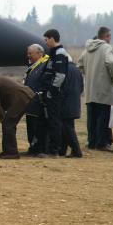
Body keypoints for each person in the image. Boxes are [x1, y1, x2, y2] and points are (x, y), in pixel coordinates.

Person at [78, 27, 113, 152]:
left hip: (90, 90)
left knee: (92, 118)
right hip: (104, 90)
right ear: (106, 36)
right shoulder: (107, 48)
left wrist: (89, 74)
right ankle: (102, 143)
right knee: (103, 117)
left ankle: (92, 142)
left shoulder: (87, 49)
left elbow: (79, 64)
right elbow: (112, 64)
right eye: (109, 36)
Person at [0, 70, 36, 159]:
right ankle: (7, 151)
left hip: (22, 98)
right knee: (8, 124)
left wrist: (2, 116)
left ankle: (12, 152)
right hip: (25, 95)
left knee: (8, 124)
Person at [41, 29, 70, 157]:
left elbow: (60, 75)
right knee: (51, 121)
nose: (45, 43)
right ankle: (51, 148)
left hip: (54, 94)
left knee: (54, 121)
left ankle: (55, 150)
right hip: (50, 92)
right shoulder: (53, 53)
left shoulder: (59, 54)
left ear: (52, 39)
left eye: (46, 40)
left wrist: (52, 91)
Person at [24, 44, 49, 156]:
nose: (28, 55)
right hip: (30, 103)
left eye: (30, 53)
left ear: (39, 53)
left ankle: (41, 149)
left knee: (39, 127)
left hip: (39, 103)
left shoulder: (45, 65)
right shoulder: (34, 66)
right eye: (28, 53)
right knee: (31, 126)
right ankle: (33, 148)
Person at [59, 60, 84, 158]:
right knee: (66, 126)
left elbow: (61, 87)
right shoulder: (76, 69)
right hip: (74, 102)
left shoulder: (62, 69)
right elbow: (81, 87)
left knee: (67, 128)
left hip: (65, 103)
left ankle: (77, 151)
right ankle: (62, 150)